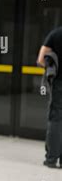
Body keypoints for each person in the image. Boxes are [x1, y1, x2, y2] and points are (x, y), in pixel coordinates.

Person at [37, 26, 62, 168]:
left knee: (56, 118)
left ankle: (52, 159)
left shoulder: (55, 34)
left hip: (58, 83)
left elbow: (41, 60)